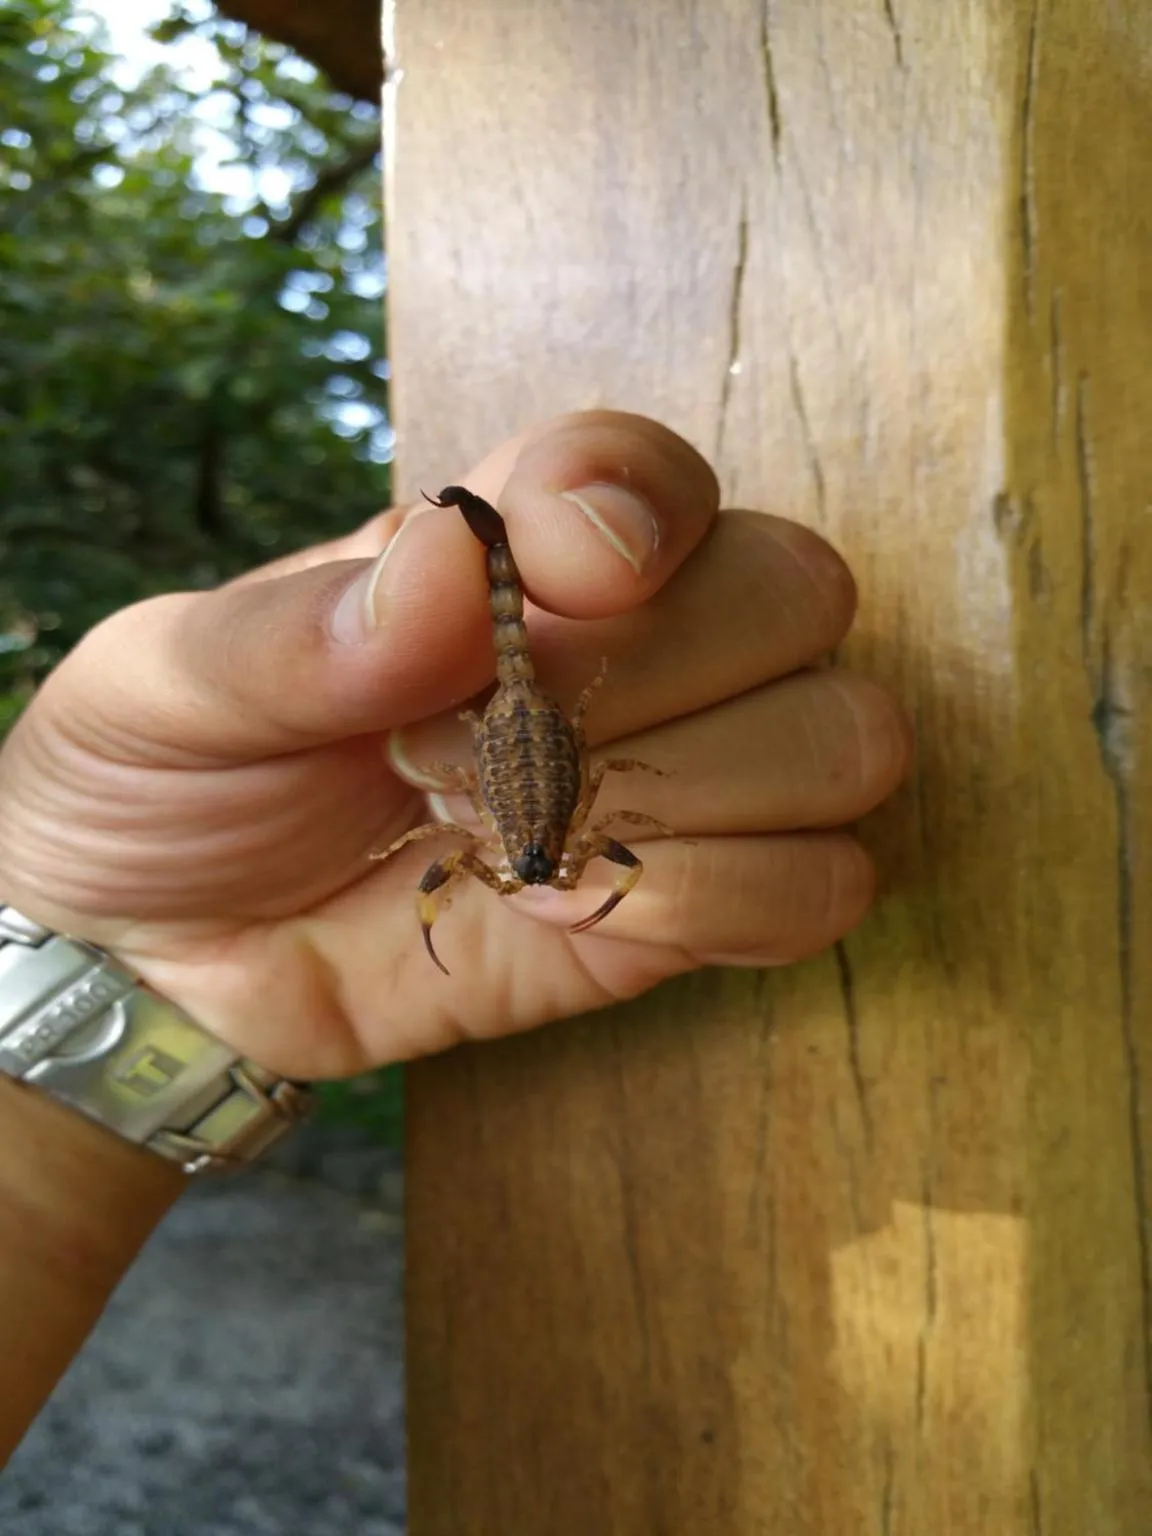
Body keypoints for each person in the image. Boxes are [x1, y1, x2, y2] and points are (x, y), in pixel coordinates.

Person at [0, 410, 912, 1462]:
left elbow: (595, 815)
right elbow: (500, 848)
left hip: (525, 749)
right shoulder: (508, 859)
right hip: (520, 749)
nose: (533, 885)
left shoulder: (529, 855)